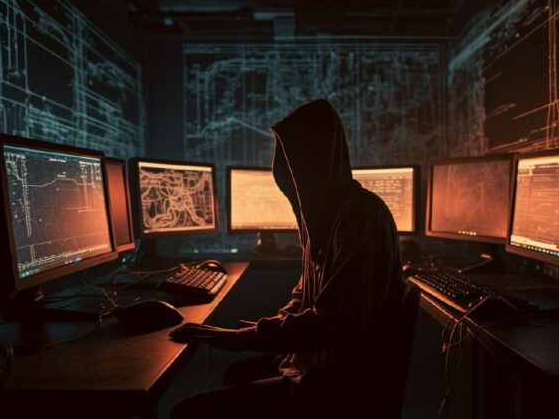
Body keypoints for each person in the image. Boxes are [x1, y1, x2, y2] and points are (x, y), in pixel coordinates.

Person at [170, 99, 405, 419]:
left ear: (314, 165)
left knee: (187, 411)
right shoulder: (326, 217)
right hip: (312, 362)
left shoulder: (361, 217)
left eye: (294, 167)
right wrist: (262, 330)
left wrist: (240, 338)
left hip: (336, 385)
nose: (287, 179)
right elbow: (304, 297)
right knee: (237, 374)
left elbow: (328, 322)